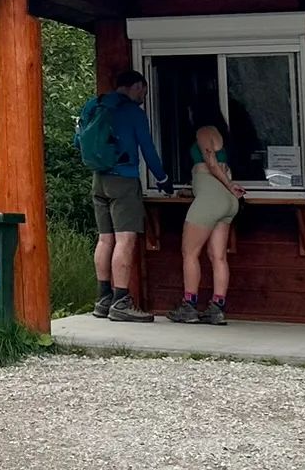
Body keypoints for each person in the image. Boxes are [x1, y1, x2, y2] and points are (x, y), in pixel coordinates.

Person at [79, 69, 172, 323]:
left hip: (99, 179)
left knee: (105, 239)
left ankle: (103, 299)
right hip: (124, 179)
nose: (143, 95)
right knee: (125, 239)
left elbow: (79, 142)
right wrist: (163, 180)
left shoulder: (92, 105)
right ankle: (121, 301)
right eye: (143, 89)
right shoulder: (133, 112)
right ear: (136, 86)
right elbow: (148, 149)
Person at [168, 121, 243, 324]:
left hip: (212, 198)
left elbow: (210, 162)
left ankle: (189, 305)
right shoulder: (221, 134)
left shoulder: (204, 131)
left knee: (190, 253)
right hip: (226, 201)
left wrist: (230, 185)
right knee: (218, 257)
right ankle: (216, 308)